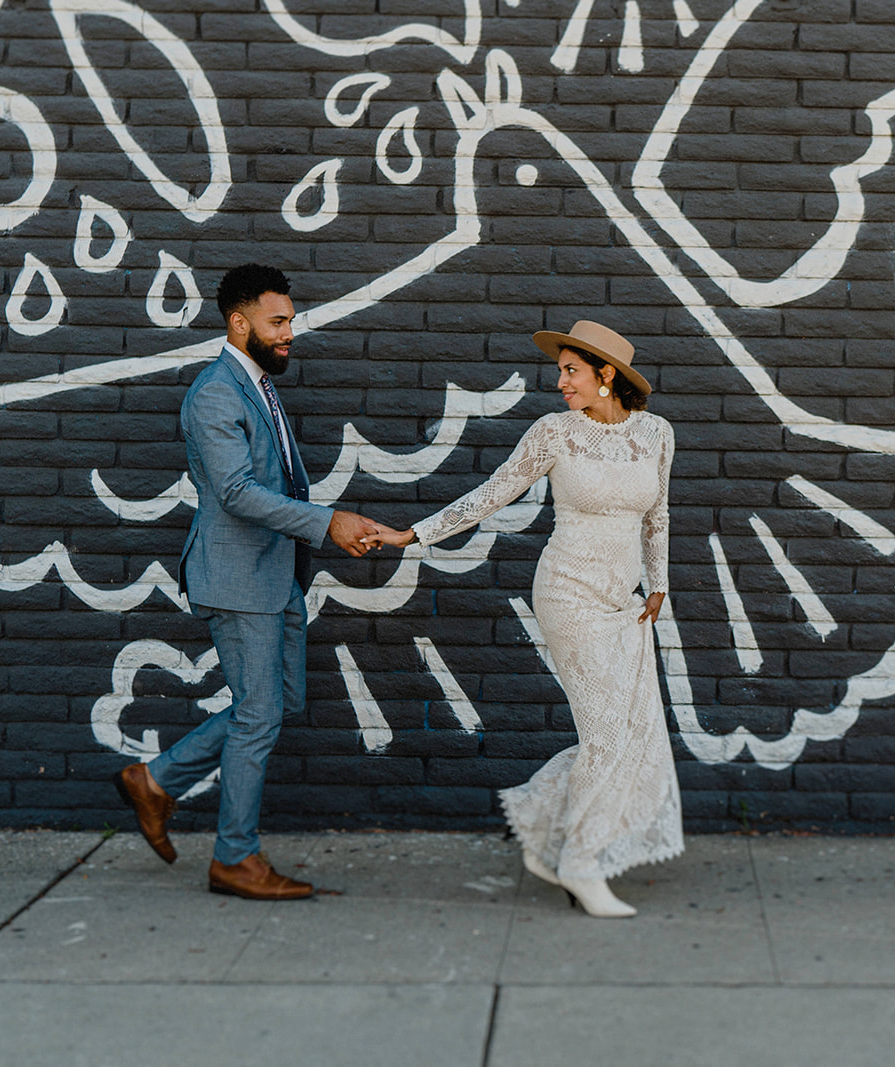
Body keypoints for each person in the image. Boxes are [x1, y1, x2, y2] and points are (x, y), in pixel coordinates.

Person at [372, 321, 683, 917]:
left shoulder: (657, 433)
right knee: (607, 734)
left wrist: (660, 583)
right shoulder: (553, 433)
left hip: (626, 602)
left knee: (627, 732)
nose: (560, 381)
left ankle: (547, 833)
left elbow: (658, 517)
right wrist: (414, 535)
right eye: (561, 369)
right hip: (567, 594)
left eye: (572, 370)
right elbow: (493, 493)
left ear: (607, 376)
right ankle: (580, 864)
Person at [114, 263, 385, 900]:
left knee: (275, 705)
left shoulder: (258, 386)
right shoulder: (215, 394)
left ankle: (154, 781)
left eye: (290, 319)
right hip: (238, 579)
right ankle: (235, 857)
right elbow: (237, 492)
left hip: (274, 575)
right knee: (259, 715)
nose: (292, 331)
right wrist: (329, 523)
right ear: (240, 324)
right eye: (279, 321)